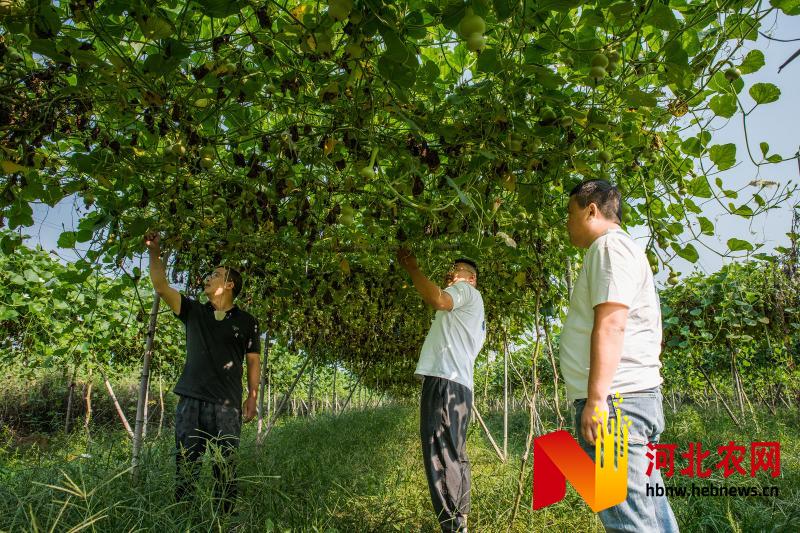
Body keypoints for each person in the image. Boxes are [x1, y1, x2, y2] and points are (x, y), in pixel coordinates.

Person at [560, 179, 679, 532]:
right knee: (651, 516)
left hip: (615, 406)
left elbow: (611, 325)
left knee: (629, 522)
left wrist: (597, 401)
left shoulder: (609, 247)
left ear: (591, 210)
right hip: (627, 402)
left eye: (570, 214)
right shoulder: (622, 249)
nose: (567, 223)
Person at [145, 232, 261, 514]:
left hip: (227, 406)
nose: (208, 278)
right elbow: (161, 286)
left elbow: (253, 361)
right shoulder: (193, 311)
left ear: (229, 284)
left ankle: (225, 521)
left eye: (216, 275)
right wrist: (154, 252)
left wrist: (252, 397)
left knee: (226, 470)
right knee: (185, 469)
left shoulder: (248, 322)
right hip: (191, 402)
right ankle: (184, 519)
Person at [397, 247, 486, 533]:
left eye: (456, 270)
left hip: (446, 382)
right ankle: (461, 521)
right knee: (453, 452)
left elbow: (437, 299)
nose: (451, 273)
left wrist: (412, 268)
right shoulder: (473, 311)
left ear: (470, 279)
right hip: (457, 384)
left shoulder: (465, 292)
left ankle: (453, 525)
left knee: (440, 452)